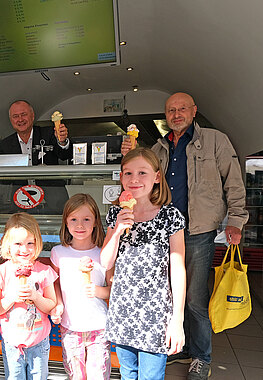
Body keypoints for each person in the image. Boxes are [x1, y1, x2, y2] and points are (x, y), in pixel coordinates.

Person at [121, 92, 248, 379]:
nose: (176, 114)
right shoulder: (158, 147)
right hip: (162, 230)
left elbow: (234, 182)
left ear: (194, 111)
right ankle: (179, 348)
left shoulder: (216, 140)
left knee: (194, 298)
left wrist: (237, 221)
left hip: (198, 230)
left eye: (181, 109)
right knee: (167, 294)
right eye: (170, 110)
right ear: (165, 116)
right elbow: (143, 179)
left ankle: (201, 357)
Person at [101, 147, 186, 380]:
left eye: (142, 173)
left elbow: (177, 269)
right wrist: (117, 230)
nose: (134, 179)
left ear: (157, 177)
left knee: (151, 376)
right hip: (122, 310)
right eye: (127, 173)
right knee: (128, 375)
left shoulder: (170, 216)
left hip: (156, 313)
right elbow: (105, 261)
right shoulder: (115, 214)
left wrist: (177, 320)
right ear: (121, 177)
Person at [49, 193, 113, 380]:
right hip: (70, 327)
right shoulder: (58, 253)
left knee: (97, 375)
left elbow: (114, 289)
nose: (80, 225)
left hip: (99, 327)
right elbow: (55, 283)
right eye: (74, 219)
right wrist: (58, 304)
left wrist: (99, 291)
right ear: (66, 222)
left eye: (86, 219)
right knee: (76, 375)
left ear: (95, 223)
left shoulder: (104, 253)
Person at [0, 213, 58, 379]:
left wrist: (35, 296)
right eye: (18, 244)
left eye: (30, 243)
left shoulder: (44, 271)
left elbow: (51, 305)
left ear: (37, 243)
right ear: (7, 244)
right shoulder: (1, 272)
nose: (24, 249)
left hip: (39, 343)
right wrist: (11, 297)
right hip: (12, 343)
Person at [0, 100, 73, 165]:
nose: (20, 119)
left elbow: (65, 155)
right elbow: (3, 180)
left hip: (48, 183)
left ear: (32, 116)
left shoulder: (49, 134)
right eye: (15, 116)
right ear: (11, 120)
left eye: (23, 114)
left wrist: (62, 142)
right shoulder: (4, 146)